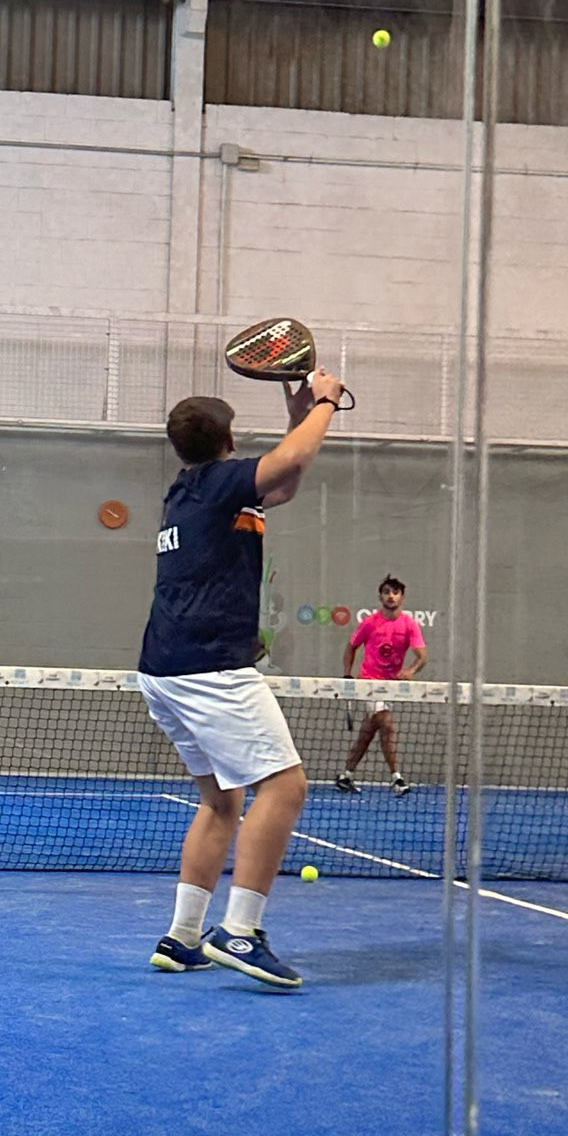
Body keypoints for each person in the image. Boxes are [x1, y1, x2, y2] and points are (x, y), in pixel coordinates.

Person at [138, 368, 348, 990]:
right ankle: (240, 932)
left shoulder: (186, 492)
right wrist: (327, 402)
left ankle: (182, 937)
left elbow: (283, 481)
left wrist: (296, 415)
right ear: (227, 442)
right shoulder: (219, 482)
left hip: (163, 670)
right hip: (209, 668)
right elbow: (294, 458)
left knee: (221, 802)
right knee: (285, 787)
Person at [335, 577, 426, 794]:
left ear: (402, 597)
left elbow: (423, 656)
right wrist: (347, 675)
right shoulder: (370, 623)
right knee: (387, 724)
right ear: (380, 596)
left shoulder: (409, 624)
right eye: (386, 592)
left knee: (368, 731)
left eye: (395, 592)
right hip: (369, 683)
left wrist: (410, 671)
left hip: (391, 687)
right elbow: (351, 647)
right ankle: (397, 778)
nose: (391, 596)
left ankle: (346, 775)